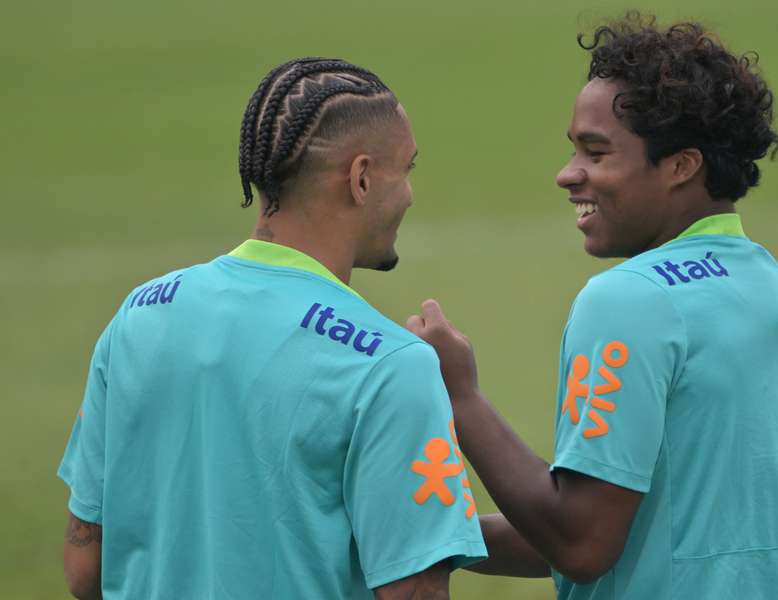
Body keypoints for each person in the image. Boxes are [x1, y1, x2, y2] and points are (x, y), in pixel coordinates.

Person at [407, 13, 778, 599]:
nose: (567, 174)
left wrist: (458, 396)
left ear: (681, 166)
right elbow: (623, 524)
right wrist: (437, 535)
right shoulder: (777, 293)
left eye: (595, 154)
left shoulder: (631, 299)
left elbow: (582, 543)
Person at [58, 57, 486, 600]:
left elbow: (85, 569)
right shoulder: (390, 365)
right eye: (408, 170)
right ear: (361, 179)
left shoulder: (138, 316)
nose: (408, 195)